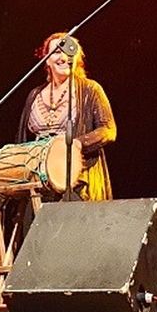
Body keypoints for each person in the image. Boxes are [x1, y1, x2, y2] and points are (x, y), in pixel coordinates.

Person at [17, 32, 116, 202]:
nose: (63, 56)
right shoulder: (35, 94)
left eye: (67, 50)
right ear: (46, 60)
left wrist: (77, 143)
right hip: (39, 181)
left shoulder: (90, 89)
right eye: (56, 51)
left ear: (77, 56)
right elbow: (23, 139)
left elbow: (108, 130)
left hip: (77, 178)